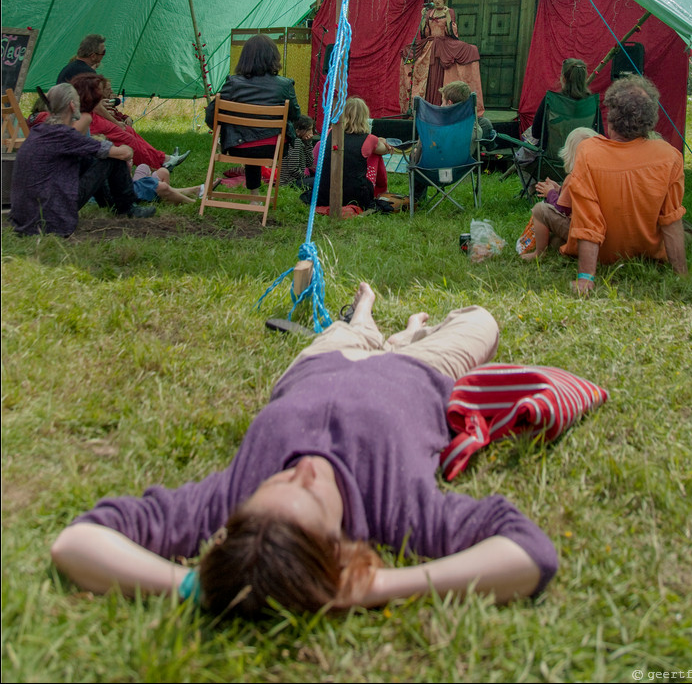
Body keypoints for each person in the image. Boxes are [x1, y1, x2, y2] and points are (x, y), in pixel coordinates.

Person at [50, 286, 558, 614]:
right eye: (311, 497)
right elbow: (530, 554)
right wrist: (376, 588)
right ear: (341, 550)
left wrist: (193, 586)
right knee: (481, 320)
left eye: (279, 480)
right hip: (421, 372)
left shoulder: (231, 498)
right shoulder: (399, 508)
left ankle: (366, 314)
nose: (304, 473)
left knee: (347, 331)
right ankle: (407, 335)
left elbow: (75, 543)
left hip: (318, 365)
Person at [562, 75, 687, 294]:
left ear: (610, 115)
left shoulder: (588, 152)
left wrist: (585, 279)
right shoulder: (670, 156)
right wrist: (683, 276)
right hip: (649, 255)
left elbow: (587, 220)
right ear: (651, 119)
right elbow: (671, 221)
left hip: (603, 255)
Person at [9, 83, 155, 236]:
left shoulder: (39, 131)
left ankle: (110, 203)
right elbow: (123, 154)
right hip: (51, 219)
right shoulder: (66, 134)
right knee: (114, 158)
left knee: (87, 157)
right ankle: (126, 208)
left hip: (25, 219)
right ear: (72, 105)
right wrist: (127, 148)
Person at [205, 35, 301, 194]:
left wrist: (220, 133)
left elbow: (211, 114)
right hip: (272, 148)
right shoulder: (285, 85)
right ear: (273, 57)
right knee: (259, 137)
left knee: (249, 135)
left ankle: (254, 196)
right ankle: (255, 197)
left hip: (238, 147)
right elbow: (295, 115)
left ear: (244, 58)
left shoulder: (233, 83)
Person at [69, 73, 189, 172]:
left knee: (129, 131)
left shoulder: (94, 105)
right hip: (97, 128)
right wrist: (115, 122)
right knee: (128, 140)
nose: (107, 92)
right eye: (104, 90)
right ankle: (159, 167)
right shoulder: (86, 116)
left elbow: (116, 113)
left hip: (98, 123)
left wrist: (124, 118)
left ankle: (163, 159)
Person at [516, 127, 599, 261]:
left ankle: (539, 253)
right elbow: (575, 199)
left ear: (569, 155)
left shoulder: (573, 177)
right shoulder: (598, 176)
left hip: (580, 230)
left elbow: (562, 209)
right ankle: (568, 248)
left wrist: (551, 193)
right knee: (555, 242)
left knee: (540, 210)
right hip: (596, 233)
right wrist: (560, 190)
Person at [402, 0, 485, 115]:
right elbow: (425, 33)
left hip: (444, 45)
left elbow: (452, 32)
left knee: (470, 49)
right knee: (409, 53)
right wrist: (423, 17)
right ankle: (427, 106)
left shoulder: (449, 11)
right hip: (430, 45)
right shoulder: (429, 13)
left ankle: (441, 104)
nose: (437, 0)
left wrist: (447, 16)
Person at [315, 97, 392, 210]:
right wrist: (381, 141)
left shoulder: (329, 133)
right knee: (376, 155)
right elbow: (385, 149)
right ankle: (382, 190)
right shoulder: (370, 140)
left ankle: (382, 190)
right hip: (354, 195)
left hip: (325, 192)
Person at [525, 59, 604, 147]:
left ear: (563, 78)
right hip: (581, 157)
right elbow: (599, 136)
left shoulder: (551, 100)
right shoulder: (592, 103)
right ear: (584, 79)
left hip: (551, 158)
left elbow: (536, 133)